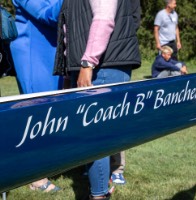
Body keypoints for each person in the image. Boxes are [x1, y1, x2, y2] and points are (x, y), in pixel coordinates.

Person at [54, 0, 141, 199]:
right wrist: (70, 70)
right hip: (94, 64)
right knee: (96, 136)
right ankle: (101, 188)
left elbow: (104, 18)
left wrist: (87, 62)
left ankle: (99, 194)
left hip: (101, 66)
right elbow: (71, 29)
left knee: (96, 136)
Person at [10, 0, 63, 192]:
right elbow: (47, 14)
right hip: (33, 52)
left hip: (53, 51)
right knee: (38, 112)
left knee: (52, 112)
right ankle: (36, 177)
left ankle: (46, 165)